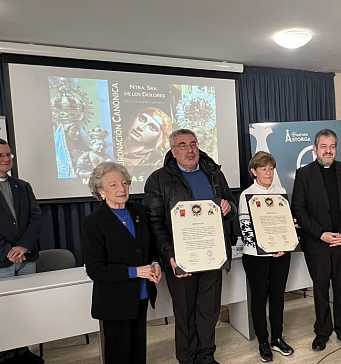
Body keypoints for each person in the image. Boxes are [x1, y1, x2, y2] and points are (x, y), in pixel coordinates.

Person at [144, 129, 237, 364]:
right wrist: (169, 256)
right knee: (185, 314)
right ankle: (187, 359)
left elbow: (231, 206)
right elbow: (154, 223)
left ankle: (206, 356)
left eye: (193, 144)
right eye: (183, 145)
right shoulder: (158, 179)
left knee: (209, 311)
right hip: (181, 258)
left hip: (212, 255)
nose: (190, 149)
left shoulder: (214, 173)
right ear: (173, 151)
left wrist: (229, 209)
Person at [291, 129, 341, 352]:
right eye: (323, 146)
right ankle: (322, 332)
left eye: (332, 146)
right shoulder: (304, 174)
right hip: (318, 244)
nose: (328, 150)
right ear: (315, 149)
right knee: (321, 290)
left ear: (336, 148)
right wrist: (321, 234)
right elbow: (299, 209)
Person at [81, 162, 161, 364]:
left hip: (141, 294)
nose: (122, 189)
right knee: (118, 354)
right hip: (114, 300)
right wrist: (136, 272)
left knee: (138, 352)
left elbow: (150, 247)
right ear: (101, 190)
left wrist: (155, 262)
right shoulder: (94, 222)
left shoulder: (139, 212)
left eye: (125, 183)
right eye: (114, 185)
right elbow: (95, 269)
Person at [238, 151, 294, 362]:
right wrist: (266, 248)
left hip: (281, 254)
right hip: (256, 256)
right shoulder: (246, 195)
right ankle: (263, 341)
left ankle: (277, 338)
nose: (268, 172)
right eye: (263, 169)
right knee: (260, 298)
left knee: (278, 296)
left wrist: (284, 243)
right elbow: (246, 229)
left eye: (271, 168)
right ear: (254, 171)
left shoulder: (280, 191)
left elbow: (286, 223)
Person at [0, 138, 44, 364]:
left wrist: (23, 246)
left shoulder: (23, 186)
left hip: (26, 257)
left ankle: (22, 351)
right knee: (6, 309)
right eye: (1, 156)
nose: (7, 159)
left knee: (27, 306)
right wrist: (7, 250)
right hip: (1, 261)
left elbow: (35, 218)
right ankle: (5, 354)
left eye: (9, 155)